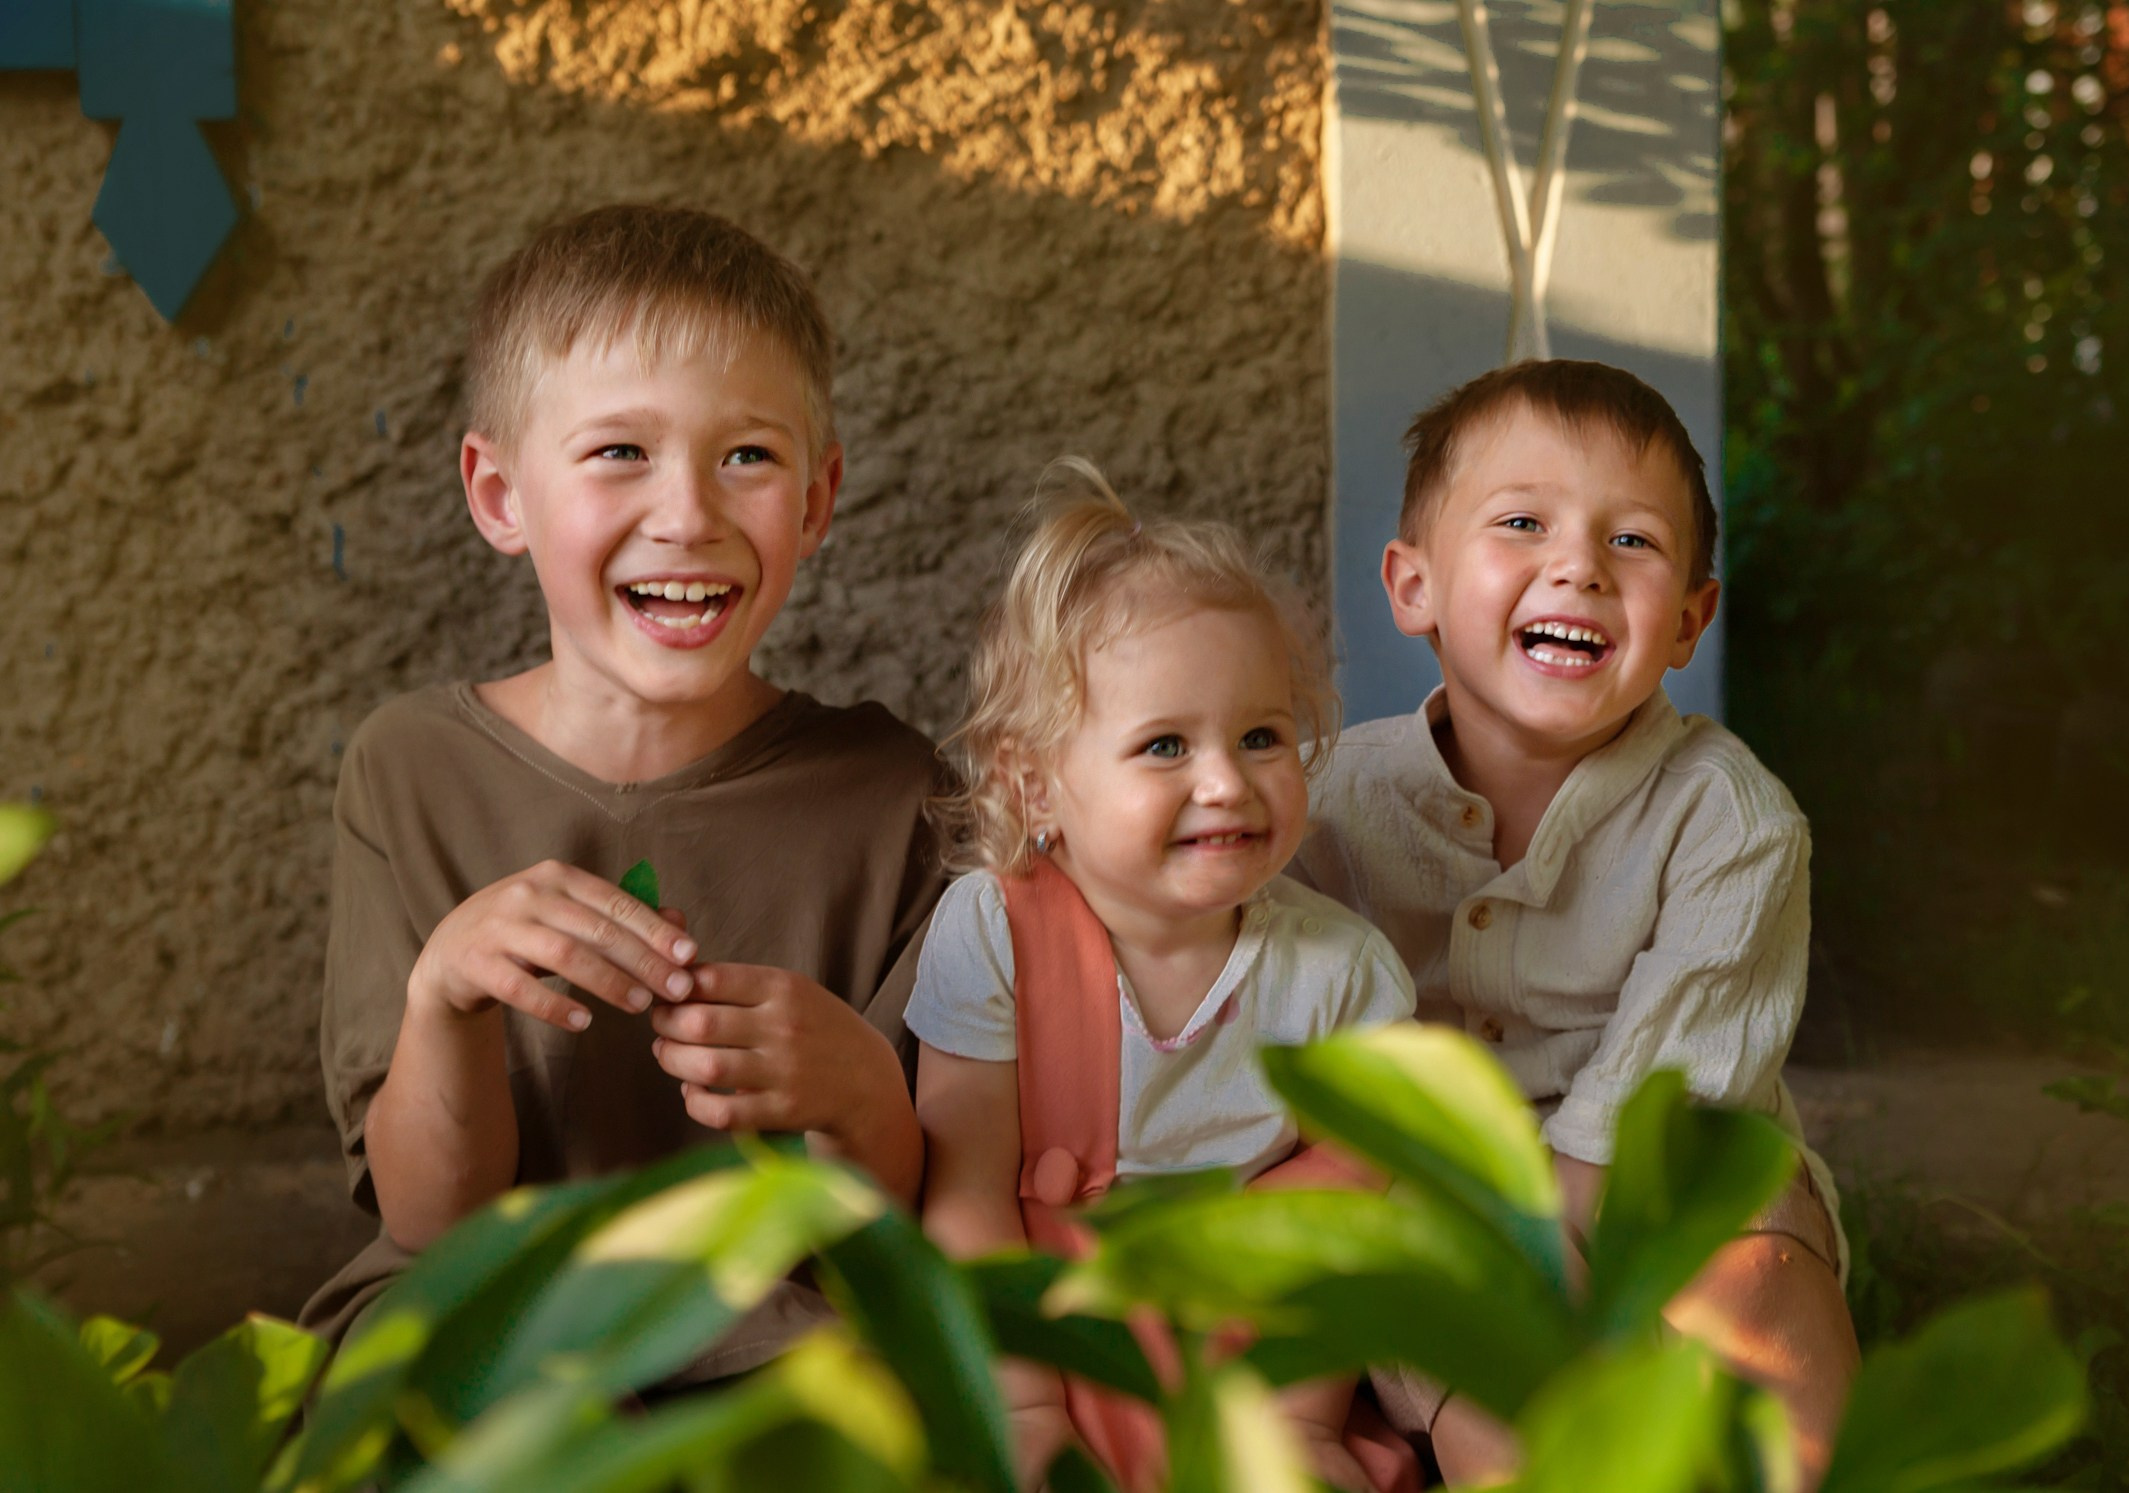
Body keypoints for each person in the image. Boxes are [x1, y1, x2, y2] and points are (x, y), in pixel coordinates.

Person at [300, 205, 945, 1385]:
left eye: (747, 455)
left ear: (816, 499)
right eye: (618, 452)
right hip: (489, 1322)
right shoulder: (410, 772)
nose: (688, 514)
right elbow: (429, 1222)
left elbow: (894, 1229)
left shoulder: (897, 796)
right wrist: (445, 994)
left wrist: (861, 1093)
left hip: (772, 1335)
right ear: (500, 494)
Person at [1293, 359, 1861, 1485]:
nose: (1579, 566)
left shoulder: (1730, 819)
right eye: (1522, 522)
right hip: (1448, 1198)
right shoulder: (1325, 804)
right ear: (1413, 585)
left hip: (1665, 1169)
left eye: (1632, 541)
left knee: (1751, 1273)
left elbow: (1668, 1102)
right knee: (1498, 1367)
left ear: (1689, 619)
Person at [909, 463, 1418, 1493]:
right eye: (1165, 745)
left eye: (1261, 735)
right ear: (1033, 784)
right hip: (1052, 1323)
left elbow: (1346, 1224)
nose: (1225, 781)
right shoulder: (993, 930)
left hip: (1254, 1336)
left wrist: (1301, 1419)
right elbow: (966, 1191)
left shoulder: (1340, 971)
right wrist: (1020, 1405)